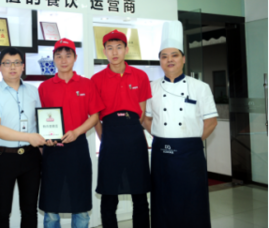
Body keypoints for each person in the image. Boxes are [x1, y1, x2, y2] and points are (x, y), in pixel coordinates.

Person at [142, 21, 218, 228]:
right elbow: (146, 119)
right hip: (161, 152)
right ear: (160, 61)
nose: (169, 60)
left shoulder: (200, 87)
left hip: (190, 153)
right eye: (164, 56)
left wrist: (190, 141)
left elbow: (211, 122)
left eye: (174, 55)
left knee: (193, 200)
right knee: (162, 199)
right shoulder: (152, 88)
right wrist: (161, 135)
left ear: (183, 58)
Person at [38, 38, 104, 228]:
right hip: (52, 150)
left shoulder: (86, 84)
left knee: (81, 205)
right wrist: (45, 140)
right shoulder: (45, 87)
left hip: (78, 148)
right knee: (51, 208)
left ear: (75, 58)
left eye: (68, 55)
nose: (63, 60)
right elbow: (40, 119)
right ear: (54, 59)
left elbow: (94, 116)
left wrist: (76, 132)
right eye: (59, 56)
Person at [91, 30, 151, 228]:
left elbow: (141, 112)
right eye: (110, 48)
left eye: (119, 47)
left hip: (135, 137)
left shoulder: (141, 76)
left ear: (126, 49)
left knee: (140, 193)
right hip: (111, 138)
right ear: (104, 51)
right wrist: (105, 137)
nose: (114, 52)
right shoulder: (96, 79)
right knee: (109, 195)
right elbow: (95, 116)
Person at [0, 47, 46, 228]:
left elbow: (40, 123)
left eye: (17, 63)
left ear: (23, 66)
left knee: (29, 210)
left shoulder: (34, 91)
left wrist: (45, 141)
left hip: (31, 157)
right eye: (7, 63)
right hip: (5, 158)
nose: (13, 67)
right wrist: (29, 137)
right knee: (2, 211)